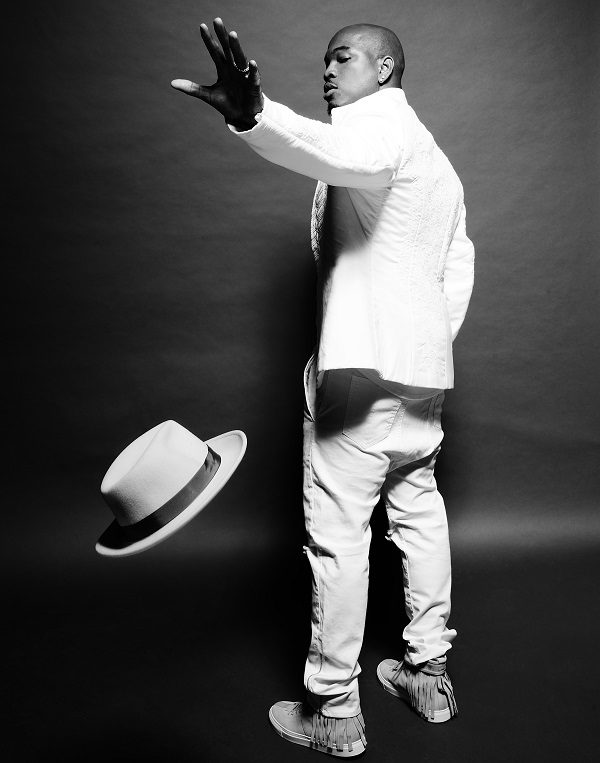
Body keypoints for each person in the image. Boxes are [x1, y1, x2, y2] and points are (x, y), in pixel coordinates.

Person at [172, 17, 475, 758]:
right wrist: (420, 350)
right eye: (326, 61)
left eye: (343, 59)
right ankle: (427, 675)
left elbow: (341, 153)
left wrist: (256, 114)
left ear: (386, 69)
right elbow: (456, 269)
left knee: (339, 540)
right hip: (421, 380)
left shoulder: (379, 131)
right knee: (419, 517)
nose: (329, 73)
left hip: (361, 384)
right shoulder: (439, 164)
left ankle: (335, 710)